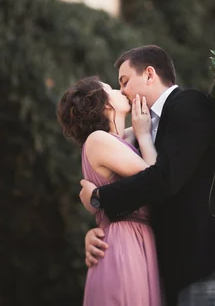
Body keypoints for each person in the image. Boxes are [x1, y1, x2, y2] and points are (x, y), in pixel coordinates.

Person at [79, 45, 215, 306]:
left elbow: (163, 179)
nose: (123, 91)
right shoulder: (145, 130)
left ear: (150, 74)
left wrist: (99, 199)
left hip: (210, 264)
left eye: (125, 81)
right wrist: (101, 230)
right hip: (180, 272)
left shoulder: (190, 105)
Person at [57, 76, 162, 306]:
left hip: (138, 241)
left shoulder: (122, 140)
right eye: (112, 88)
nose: (120, 90)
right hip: (123, 245)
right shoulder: (97, 140)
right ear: (105, 104)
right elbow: (156, 179)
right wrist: (143, 135)